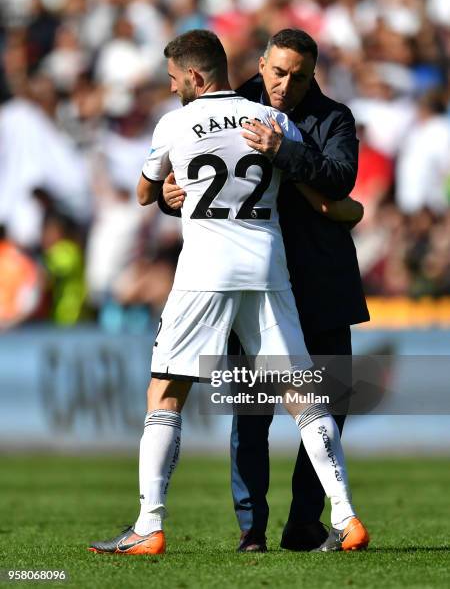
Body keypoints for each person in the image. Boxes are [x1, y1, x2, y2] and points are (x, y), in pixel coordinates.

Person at [89, 29, 369, 556]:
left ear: (194, 76)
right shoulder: (272, 121)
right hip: (268, 265)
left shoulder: (177, 121)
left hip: (206, 270)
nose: (172, 88)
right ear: (257, 65)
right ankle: (346, 516)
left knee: (166, 392)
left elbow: (146, 191)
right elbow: (329, 195)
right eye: (278, 72)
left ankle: (149, 525)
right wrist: (342, 207)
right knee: (303, 397)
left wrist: (173, 191)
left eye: (174, 80)